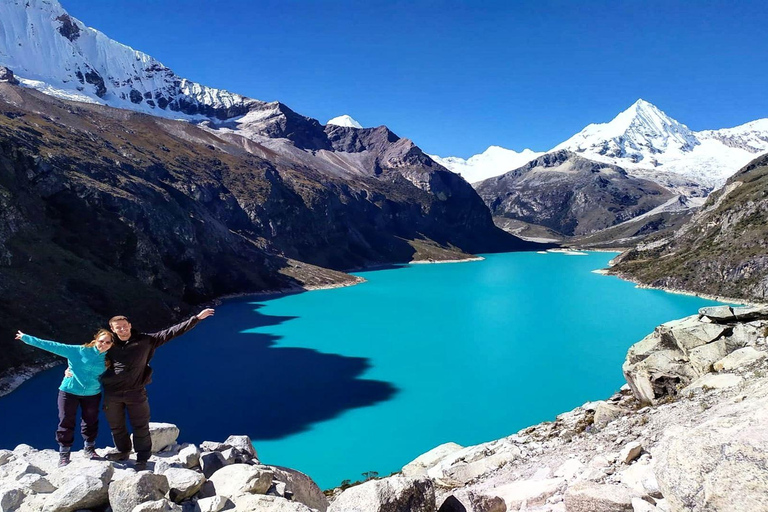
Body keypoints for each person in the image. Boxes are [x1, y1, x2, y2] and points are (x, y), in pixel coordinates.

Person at [100, 308, 214, 471]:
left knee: (140, 426)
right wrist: (70, 370)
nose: (123, 329)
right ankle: (122, 451)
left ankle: (142, 458)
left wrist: (196, 318)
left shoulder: (146, 340)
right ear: (112, 329)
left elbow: (172, 332)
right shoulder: (107, 345)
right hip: (112, 393)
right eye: (118, 327)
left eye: (125, 326)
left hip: (136, 392)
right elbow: (86, 357)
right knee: (116, 426)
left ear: (130, 325)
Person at [15, 329, 114, 466]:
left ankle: (89, 449)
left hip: (92, 393)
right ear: (95, 340)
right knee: (66, 421)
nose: (103, 344)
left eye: (107, 342)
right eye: (101, 341)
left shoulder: (109, 358)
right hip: (69, 392)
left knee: (90, 421)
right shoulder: (78, 350)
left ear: (111, 344)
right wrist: (26, 338)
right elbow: (53, 345)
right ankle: (64, 454)